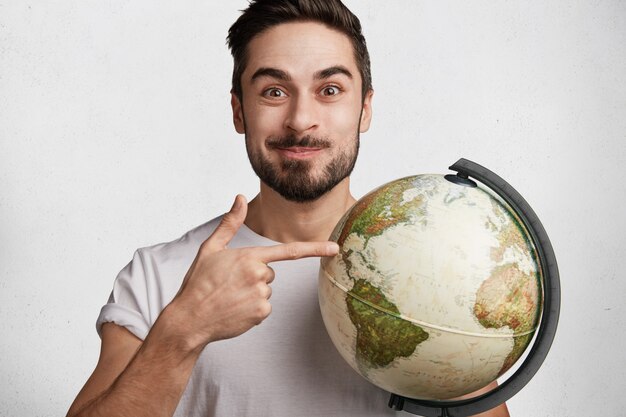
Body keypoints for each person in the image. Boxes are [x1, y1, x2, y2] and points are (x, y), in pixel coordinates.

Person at [66, 1, 510, 416]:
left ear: (365, 109)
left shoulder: (444, 266)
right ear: (240, 112)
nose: (300, 119)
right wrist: (184, 330)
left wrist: (460, 341)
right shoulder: (158, 276)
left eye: (330, 89)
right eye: (274, 92)